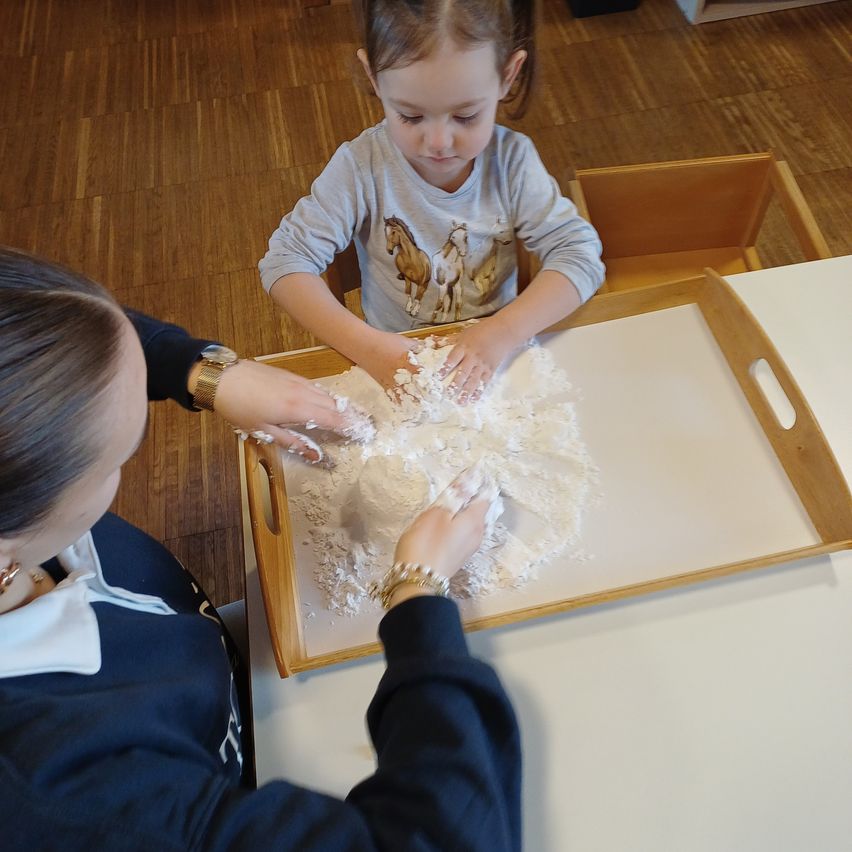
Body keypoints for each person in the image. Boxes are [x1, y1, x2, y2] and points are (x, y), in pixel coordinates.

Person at [0, 247, 521, 850]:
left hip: (217, 669)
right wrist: (417, 592)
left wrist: (201, 372)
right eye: (119, 457)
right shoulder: (70, 793)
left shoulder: (23, 521)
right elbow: (448, 833)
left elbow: (38, 332)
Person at [259, 0, 604, 403]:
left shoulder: (512, 163)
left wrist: (504, 330)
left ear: (507, 76)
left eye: (466, 116)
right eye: (409, 116)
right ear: (374, 77)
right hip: (394, 356)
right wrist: (370, 348)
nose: (438, 142)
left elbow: (579, 255)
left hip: (496, 355)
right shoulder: (361, 167)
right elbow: (284, 262)